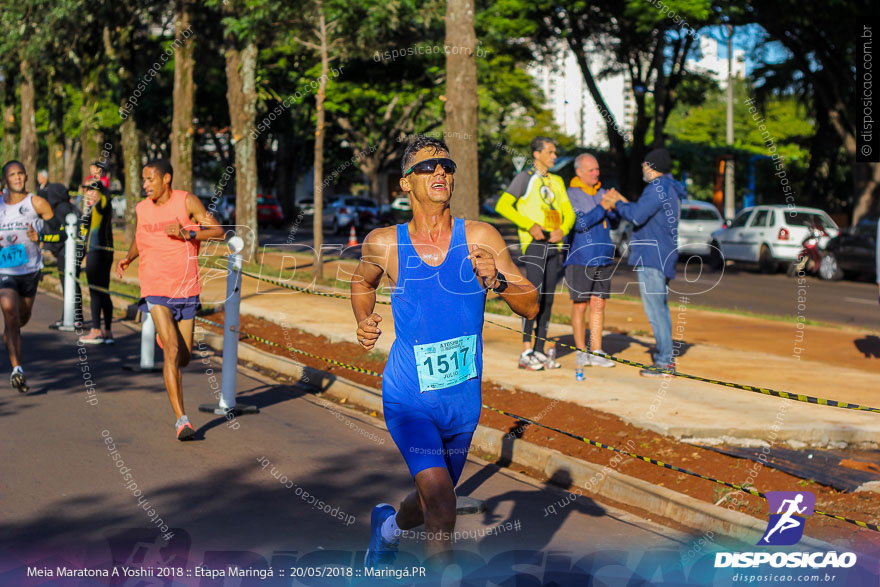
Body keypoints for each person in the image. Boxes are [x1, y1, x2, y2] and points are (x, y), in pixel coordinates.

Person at [351, 135, 538, 568]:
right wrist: (364, 319)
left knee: (430, 502)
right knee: (442, 506)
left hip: (462, 402)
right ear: (404, 183)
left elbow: (532, 305)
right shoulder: (385, 243)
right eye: (426, 167)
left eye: (446, 166)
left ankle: (388, 527)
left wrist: (500, 281)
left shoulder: (480, 236)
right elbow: (362, 283)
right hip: (409, 397)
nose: (439, 172)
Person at [116, 159, 223, 440]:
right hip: (154, 286)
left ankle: (172, 343)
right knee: (172, 350)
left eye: (150, 179)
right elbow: (142, 237)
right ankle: (182, 420)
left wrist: (188, 232)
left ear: (166, 179)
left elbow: (218, 232)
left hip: (186, 288)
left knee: (184, 358)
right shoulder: (142, 208)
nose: (145, 184)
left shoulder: (186, 202)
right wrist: (129, 257)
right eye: (143, 179)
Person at [603, 148, 686, 377]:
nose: (642, 169)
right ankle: (665, 358)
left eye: (643, 165)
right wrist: (623, 202)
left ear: (651, 167)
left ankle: (664, 362)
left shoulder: (657, 187)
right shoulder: (669, 188)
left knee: (655, 311)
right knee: (660, 309)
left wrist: (617, 205)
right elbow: (644, 213)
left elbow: (637, 216)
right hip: (663, 254)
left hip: (653, 256)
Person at [495, 136, 575, 370]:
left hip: (554, 244)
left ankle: (539, 350)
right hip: (535, 244)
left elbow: (568, 212)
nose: (555, 156)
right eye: (550, 152)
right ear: (537, 154)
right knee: (533, 297)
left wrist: (564, 229)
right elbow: (502, 205)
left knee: (548, 299)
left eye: (555, 152)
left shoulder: (558, 181)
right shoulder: (525, 178)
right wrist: (529, 225)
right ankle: (526, 350)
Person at [0, 161, 64, 392]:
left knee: (20, 319)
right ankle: (17, 369)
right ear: (5, 180)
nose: (17, 178)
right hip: (4, 270)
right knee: (8, 311)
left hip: (30, 270)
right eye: (12, 175)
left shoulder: (37, 203)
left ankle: (13, 333)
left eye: (20, 174)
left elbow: (62, 233)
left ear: (26, 177)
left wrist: (42, 239)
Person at [564, 154, 617, 379]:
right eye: (591, 170)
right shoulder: (571, 194)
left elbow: (614, 221)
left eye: (597, 169)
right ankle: (580, 351)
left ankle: (597, 350)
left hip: (603, 257)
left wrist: (613, 208)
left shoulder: (603, 192)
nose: (596, 173)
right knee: (581, 306)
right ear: (579, 172)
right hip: (580, 258)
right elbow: (579, 223)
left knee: (599, 305)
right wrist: (602, 207)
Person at [41, 182, 85, 329]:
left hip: (67, 251)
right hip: (74, 249)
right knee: (73, 283)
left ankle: (73, 317)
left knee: (69, 283)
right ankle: (74, 317)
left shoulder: (61, 209)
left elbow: (62, 233)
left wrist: (46, 240)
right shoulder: (71, 207)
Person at [78, 181, 115, 344]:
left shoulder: (102, 205)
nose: (88, 193)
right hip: (104, 251)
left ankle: (96, 330)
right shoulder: (97, 206)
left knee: (95, 291)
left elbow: (104, 201)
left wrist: (100, 193)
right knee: (103, 291)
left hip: (98, 252)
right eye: (86, 190)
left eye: (91, 190)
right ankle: (107, 331)